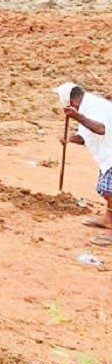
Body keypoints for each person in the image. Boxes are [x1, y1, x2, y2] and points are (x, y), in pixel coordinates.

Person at [56, 83, 112, 246]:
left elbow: (101, 129)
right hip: (107, 154)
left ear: (71, 102)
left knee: (110, 191)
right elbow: (87, 136)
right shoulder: (86, 107)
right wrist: (70, 138)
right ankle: (108, 219)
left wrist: (78, 117)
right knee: (107, 190)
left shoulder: (93, 107)